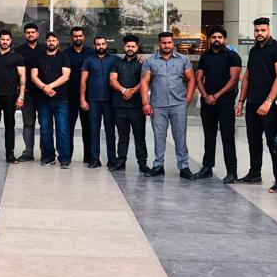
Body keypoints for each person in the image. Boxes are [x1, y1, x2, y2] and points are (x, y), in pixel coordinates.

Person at [237, 17, 277, 193]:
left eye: (262, 30)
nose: (259, 33)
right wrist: (241, 101)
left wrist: (268, 101)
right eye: (257, 30)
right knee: (253, 141)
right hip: (252, 103)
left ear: (269, 30)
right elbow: (247, 76)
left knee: (274, 143)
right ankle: (254, 174)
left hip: (270, 106)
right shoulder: (254, 50)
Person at [141, 31, 196, 179]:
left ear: (173, 43)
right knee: (159, 137)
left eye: (169, 42)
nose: (167, 45)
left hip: (178, 104)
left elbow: (191, 79)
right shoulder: (150, 61)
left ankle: (184, 167)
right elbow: (144, 81)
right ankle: (158, 166)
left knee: (180, 136)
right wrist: (145, 102)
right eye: (164, 42)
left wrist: (188, 98)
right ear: (159, 44)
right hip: (158, 105)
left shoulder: (183, 60)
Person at [194, 26, 241, 183]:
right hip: (207, 103)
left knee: (228, 137)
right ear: (210, 39)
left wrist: (216, 95)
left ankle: (232, 172)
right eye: (214, 37)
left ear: (224, 39)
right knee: (209, 136)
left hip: (225, 103)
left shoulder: (232, 56)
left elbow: (234, 79)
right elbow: (199, 78)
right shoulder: (205, 56)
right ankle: (207, 168)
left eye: (219, 37)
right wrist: (206, 96)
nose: (216, 40)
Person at [30, 32, 72, 168]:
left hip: (61, 100)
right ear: (46, 42)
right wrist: (44, 88)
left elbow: (66, 76)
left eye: (54, 40)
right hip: (43, 100)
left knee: (62, 129)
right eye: (49, 41)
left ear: (58, 42)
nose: (51, 43)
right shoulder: (38, 57)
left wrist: (50, 86)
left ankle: (64, 158)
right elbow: (33, 76)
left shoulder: (64, 57)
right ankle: (48, 156)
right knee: (45, 129)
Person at [109, 35, 149, 174]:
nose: (130, 48)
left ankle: (142, 163)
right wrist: (124, 90)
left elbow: (145, 80)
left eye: (133, 46)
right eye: (128, 46)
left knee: (140, 137)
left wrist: (133, 91)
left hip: (137, 107)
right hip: (119, 106)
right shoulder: (117, 63)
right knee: (122, 137)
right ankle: (121, 162)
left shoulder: (143, 63)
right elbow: (112, 80)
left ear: (137, 48)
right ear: (124, 47)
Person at [0, 30, 25, 163]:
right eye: (2, 39)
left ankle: (10, 154)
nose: (5, 42)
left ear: (11, 41)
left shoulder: (17, 56)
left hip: (10, 96)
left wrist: (21, 96)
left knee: (9, 126)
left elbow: (22, 76)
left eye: (7, 40)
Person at [80, 35, 119, 169]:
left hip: (110, 101)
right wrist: (82, 99)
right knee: (93, 131)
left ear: (106, 45)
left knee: (110, 131)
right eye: (98, 44)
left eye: (103, 44)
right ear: (94, 46)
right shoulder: (89, 60)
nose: (101, 46)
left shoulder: (115, 59)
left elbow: (128, 63)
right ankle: (94, 159)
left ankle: (112, 159)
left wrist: (140, 58)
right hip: (93, 101)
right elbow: (83, 81)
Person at [63, 27, 93, 165]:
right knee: (68, 128)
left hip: (88, 97)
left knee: (88, 128)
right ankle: (67, 156)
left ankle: (89, 157)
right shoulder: (65, 54)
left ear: (84, 37)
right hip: (69, 97)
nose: (78, 38)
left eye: (80, 36)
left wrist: (140, 58)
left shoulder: (91, 53)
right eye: (75, 36)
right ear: (71, 38)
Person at [17, 22, 43, 162]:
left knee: (45, 124)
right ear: (24, 35)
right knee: (28, 123)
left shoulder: (45, 49)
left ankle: (46, 152)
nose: (30, 35)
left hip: (43, 93)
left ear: (37, 34)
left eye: (33, 32)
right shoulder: (18, 51)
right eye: (28, 33)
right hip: (27, 93)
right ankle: (28, 152)